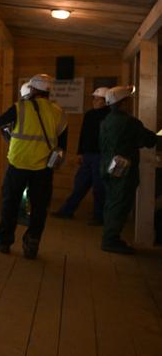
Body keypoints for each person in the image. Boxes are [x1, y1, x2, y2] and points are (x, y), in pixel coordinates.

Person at [0, 74, 68, 259]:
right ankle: (32, 244)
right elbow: (62, 144)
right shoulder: (58, 112)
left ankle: (4, 242)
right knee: (39, 207)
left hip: (18, 165)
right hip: (44, 168)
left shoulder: (20, 107)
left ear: (33, 89)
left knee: (10, 204)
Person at [99, 85, 157, 254]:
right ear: (122, 103)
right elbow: (150, 140)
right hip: (122, 170)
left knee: (111, 203)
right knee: (120, 204)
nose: (131, 103)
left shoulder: (106, 121)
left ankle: (109, 237)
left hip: (106, 166)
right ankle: (110, 240)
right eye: (129, 100)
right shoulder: (130, 122)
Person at [52, 87, 110, 224]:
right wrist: (80, 153)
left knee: (99, 188)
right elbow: (83, 135)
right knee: (80, 185)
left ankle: (99, 217)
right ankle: (67, 211)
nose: (94, 101)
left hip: (101, 156)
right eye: (94, 98)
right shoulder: (89, 115)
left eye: (97, 99)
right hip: (88, 156)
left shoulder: (109, 116)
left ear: (105, 101)